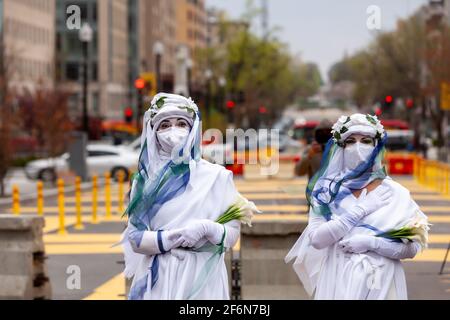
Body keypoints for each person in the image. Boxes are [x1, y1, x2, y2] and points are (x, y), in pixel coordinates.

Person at [285, 113, 430, 300]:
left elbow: (411, 249)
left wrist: (372, 243)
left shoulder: (396, 193)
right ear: (341, 147)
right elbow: (317, 239)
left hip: (382, 282)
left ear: (376, 146)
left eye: (366, 141)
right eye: (351, 141)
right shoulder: (326, 191)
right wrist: (359, 211)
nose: (358, 147)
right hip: (337, 279)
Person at [120, 93, 245, 300]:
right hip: (159, 278)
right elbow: (135, 238)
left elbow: (231, 235)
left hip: (204, 277)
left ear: (193, 129)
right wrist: (172, 238)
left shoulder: (218, 176)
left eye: (181, 123)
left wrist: (207, 228)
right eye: (165, 125)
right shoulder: (143, 181)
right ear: (154, 131)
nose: (173, 131)